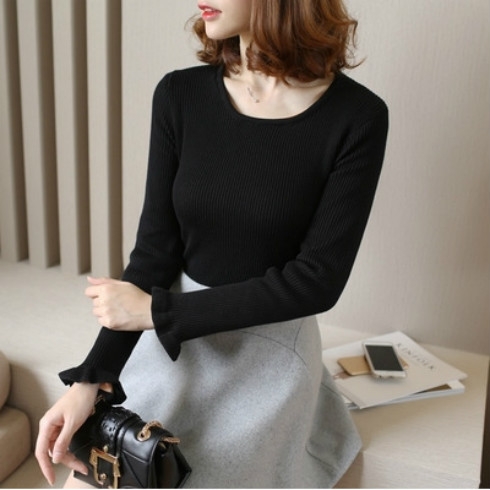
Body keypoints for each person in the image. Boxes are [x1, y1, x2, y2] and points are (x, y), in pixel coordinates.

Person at [35, 0, 388, 487]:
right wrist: (90, 380)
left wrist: (157, 313)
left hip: (269, 349)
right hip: (173, 337)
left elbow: (316, 281)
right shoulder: (180, 94)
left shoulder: (358, 116)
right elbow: (155, 252)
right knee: (114, 470)